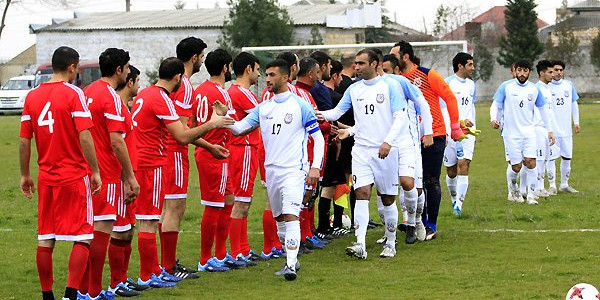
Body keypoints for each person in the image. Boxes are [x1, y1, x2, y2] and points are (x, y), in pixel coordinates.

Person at [131, 57, 233, 287]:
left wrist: (208, 144)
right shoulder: (161, 99)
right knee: (149, 220)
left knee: (148, 219)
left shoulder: (145, 93)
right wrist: (213, 123)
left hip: (141, 161)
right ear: (178, 78)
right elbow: (182, 135)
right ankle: (149, 275)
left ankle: (153, 271)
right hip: (152, 163)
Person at [226, 58, 325, 280]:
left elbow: (317, 138)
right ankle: (292, 257)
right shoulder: (264, 107)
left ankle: (290, 265)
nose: (267, 79)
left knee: (291, 215)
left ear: (285, 77)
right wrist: (223, 117)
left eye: (272, 75)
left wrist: (315, 167)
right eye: (266, 75)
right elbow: (239, 129)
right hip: (272, 171)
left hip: (294, 170)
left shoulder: (300, 105)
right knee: (280, 218)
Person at [20, 46, 101, 300]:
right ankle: (70, 294)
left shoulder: (32, 97)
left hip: (46, 177)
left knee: (46, 237)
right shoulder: (74, 93)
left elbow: (24, 141)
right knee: (84, 235)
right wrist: (95, 170)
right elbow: (85, 134)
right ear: (72, 67)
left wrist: (25, 175)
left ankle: (47, 296)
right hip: (73, 176)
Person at [317, 49, 411, 259]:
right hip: (361, 151)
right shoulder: (354, 89)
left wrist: (388, 142)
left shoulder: (389, 86)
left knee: (387, 199)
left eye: (361, 63)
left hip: (385, 151)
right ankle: (360, 243)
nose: (356, 67)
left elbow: (400, 117)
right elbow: (336, 113)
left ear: (375, 64)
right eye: (355, 64)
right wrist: (316, 114)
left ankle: (390, 241)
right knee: (361, 194)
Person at [390, 41, 466, 241]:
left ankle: (431, 223)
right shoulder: (393, 80)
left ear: (405, 56)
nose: (390, 58)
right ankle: (414, 222)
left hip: (434, 134)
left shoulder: (427, 74)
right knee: (410, 180)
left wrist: (455, 126)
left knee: (430, 179)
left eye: (394, 54)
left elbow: (449, 97)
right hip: (407, 137)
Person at [82, 48, 139, 300]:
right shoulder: (111, 97)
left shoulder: (87, 92)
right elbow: (117, 142)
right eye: (127, 67)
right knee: (101, 234)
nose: (128, 71)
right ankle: (93, 292)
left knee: (87, 233)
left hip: (86, 173)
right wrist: (129, 176)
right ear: (119, 70)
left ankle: (83, 290)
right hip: (106, 174)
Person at [159, 37, 207, 280]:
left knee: (166, 209)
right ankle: (168, 267)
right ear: (194, 57)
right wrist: (210, 142)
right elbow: (182, 130)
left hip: (162, 151)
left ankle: (163, 265)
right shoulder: (185, 86)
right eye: (202, 57)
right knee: (175, 208)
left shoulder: (172, 83)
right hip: (174, 153)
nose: (203, 62)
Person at [191, 49, 242, 271]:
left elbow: (193, 121)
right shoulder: (220, 93)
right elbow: (229, 123)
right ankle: (205, 259)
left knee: (228, 201)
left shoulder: (200, 90)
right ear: (225, 67)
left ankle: (220, 254)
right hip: (215, 152)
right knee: (214, 206)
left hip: (214, 151)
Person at [380, 54, 433, 242]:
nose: (382, 75)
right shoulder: (377, 88)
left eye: (386, 71)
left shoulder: (402, 83)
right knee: (384, 189)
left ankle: (415, 222)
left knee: (412, 186)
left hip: (409, 143)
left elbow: (424, 106)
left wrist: (428, 132)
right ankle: (389, 231)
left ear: (396, 70)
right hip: (388, 143)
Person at [491, 59, 555, 205]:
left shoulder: (534, 89)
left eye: (525, 70)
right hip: (511, 133)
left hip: (529, 132)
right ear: (515, 70)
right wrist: (493, 119)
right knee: (516, 166)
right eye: (519, 70)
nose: (522, 73)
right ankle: (513, 191)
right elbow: (495, 104)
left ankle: (532, 195)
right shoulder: (506, 87)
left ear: (529, 72)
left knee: (531, 162)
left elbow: (544, 110)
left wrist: (549, 131)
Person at [110, 65, 149, 294]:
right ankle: (115, 283)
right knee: (120, 230)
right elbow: (115, 144)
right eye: (138, 81)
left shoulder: (125, 108)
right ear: (130, 81)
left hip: (130, 175)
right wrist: (126, 177)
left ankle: (122, 279)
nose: (140, 85)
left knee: (128, 229)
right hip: (121, 178)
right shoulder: (118, 109)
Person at [227, 51, 261, 265]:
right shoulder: (241, 92)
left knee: (244, 200)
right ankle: (236, 251)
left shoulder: (233, 91)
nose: (259, 74)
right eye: (257, 69)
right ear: (248, 69)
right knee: (241, 201)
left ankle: (243, 248)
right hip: (245, 147)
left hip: (244, 148)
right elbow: (263, 115)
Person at [295, 57, 330, 251]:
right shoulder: (300, 94)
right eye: (317, 72)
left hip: (314, 149)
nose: (319, 76)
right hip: (306, 151)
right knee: (304, 194)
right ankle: (301, 236)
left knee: (311, 193)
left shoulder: (306, 93)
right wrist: (327, 125)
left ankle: (308, 232)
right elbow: (317, 123)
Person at [444, 52, 478, 214]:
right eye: (470, 64)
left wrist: (473, 129)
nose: (473, 68)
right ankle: (453, 198)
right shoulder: (447, 84)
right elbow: (443, 110)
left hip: (467, 134)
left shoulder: (472, 85)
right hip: (450, 133)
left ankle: (459, 205)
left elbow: (471, 107)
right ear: (460, 66)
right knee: (451, 171)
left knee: (464, 164)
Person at [321, 59, 351, 237]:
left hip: (331, 142)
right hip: (335, 144)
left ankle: (332, 224)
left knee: (337, 184)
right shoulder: (333, 97)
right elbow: (330, 120)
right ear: (334, 75)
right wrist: (348, 129)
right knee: (337, 184)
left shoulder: (323, 93)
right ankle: (331, 224)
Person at [546, 60, 580, 194]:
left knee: (567, 157)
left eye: (561, 70)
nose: (558, 72)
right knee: (551, 157)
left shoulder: (569, 85)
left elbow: (574, 104)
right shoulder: (546, 87)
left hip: (566, 130)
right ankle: (552, 185)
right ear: (551, 71)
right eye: (555, 70)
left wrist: (576, 122)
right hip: (552, 130)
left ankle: (564, 184)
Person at [532, 60, 557, 198]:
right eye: (550, 72)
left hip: (546, 129)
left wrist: (550, 130)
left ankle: (540, 187)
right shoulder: (536, 89)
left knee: (546, 159)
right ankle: (537, 187)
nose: (553, 75)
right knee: (539, 159)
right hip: (537, 128)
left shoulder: (547, 89)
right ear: (542, 73)